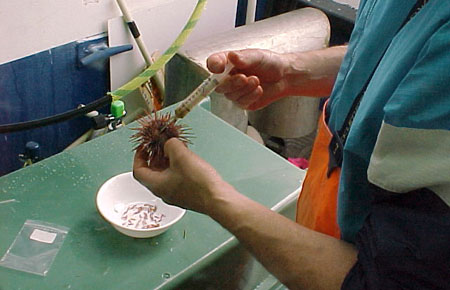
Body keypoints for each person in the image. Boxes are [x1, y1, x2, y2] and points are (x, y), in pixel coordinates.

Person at [134, 0, 450, 289]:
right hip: (329, 200)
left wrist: (213, 198)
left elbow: (388, 281)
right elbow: (392, 52)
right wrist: (292, 73)